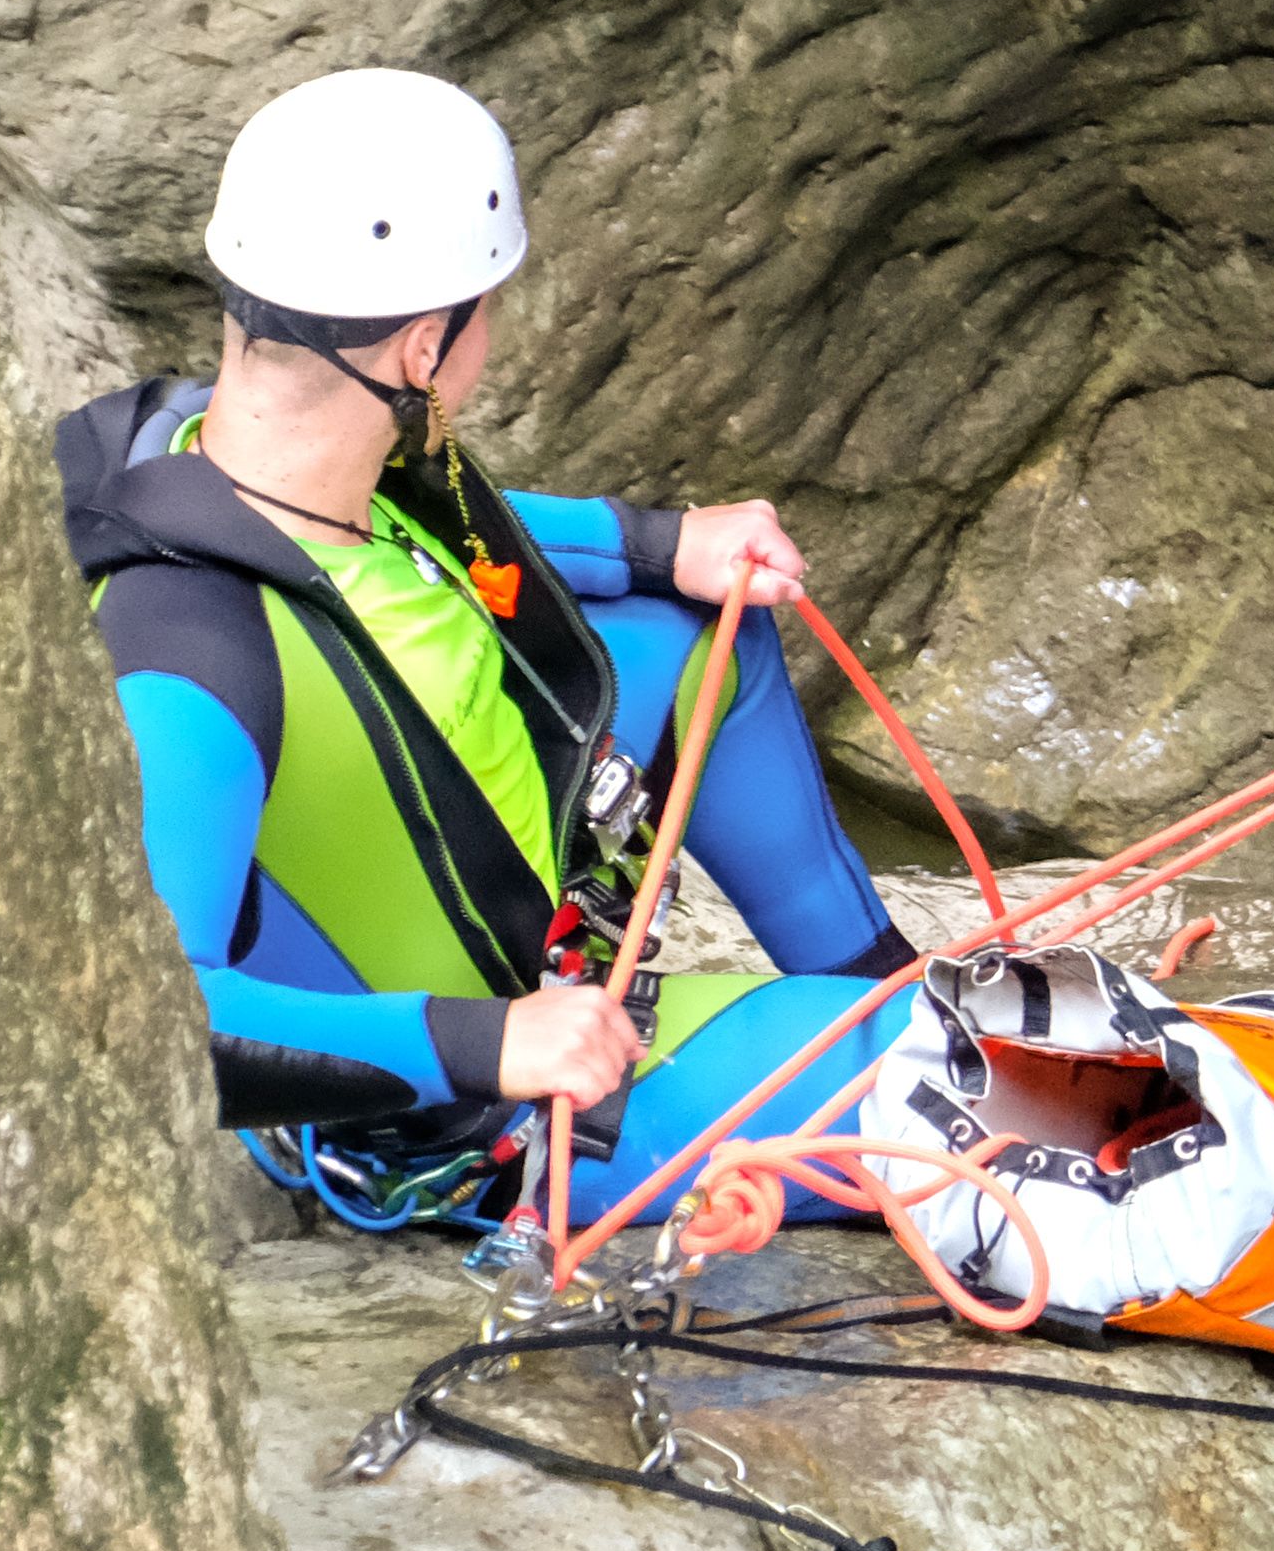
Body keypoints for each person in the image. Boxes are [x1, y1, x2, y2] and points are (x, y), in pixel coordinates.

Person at [54, 63, 925, 1226]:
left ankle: (877, 972)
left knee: (702, 638)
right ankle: (889, 1023)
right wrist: (493, 1042)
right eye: (486, 308)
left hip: (521, 915)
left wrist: (672, 546)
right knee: (946, 1072)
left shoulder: (226, 441)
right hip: (473, 1110)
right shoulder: (188, 651)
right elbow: (157, 1008)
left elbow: (443, 530)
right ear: (424, 348)